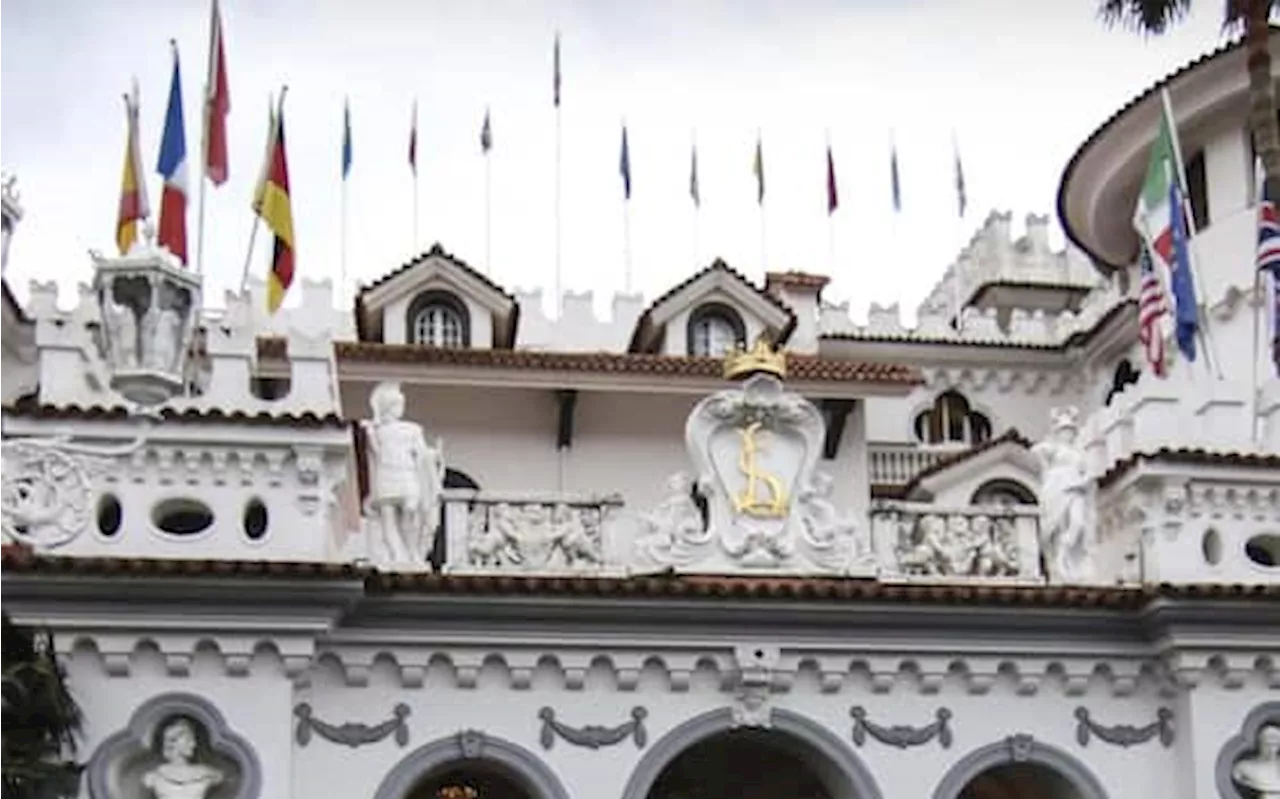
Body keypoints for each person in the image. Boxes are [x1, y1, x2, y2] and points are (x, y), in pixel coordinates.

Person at [362, 382, 444, 568]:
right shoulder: (378, 430)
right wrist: (369, 433)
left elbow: (421, 453)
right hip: (386, 474)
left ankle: (413, 551)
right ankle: (397, 554)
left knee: (411, 510)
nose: (400, 408)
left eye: (401, 404)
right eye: (397, 404)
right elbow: (376, 453)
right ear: (386, 407)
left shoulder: (412, 429)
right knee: (388, 517)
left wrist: (434, 456)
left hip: (407, 474)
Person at [141, 718, 224, 799]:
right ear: (173, 742)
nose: (194, 744)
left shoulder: (208, 773)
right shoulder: (153, 777)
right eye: (189, 740)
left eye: (193, 740)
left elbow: (218, 777)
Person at [1232, 724, 1280, 798]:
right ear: (1260, 743)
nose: (1271, 748)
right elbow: (1237, 775)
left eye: (1275, 744)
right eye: (1268, 743)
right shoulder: (1244, 767)